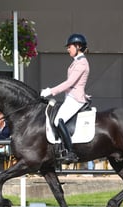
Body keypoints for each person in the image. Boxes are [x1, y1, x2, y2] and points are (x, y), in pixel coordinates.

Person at [40, 33, 90, 163]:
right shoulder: (76, 62)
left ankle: (70, 152)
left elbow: (69, 83)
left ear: (78, 46)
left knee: (58, 120)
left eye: (70, 47)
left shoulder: (81, 63)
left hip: (75, 98)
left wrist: (50, 91)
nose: (68, 49)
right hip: (70, 97)